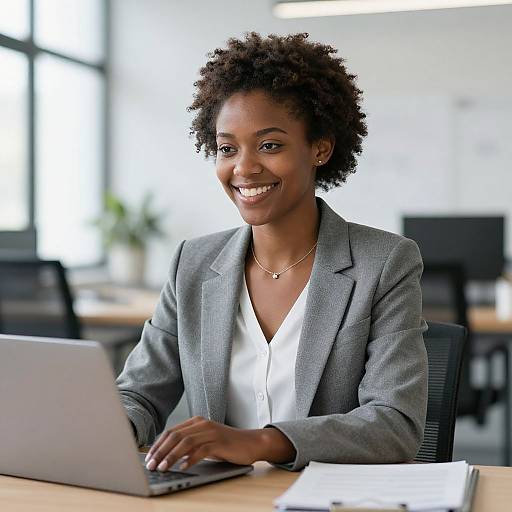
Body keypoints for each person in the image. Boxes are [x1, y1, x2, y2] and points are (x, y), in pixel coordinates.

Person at [116, 32, 428, 473]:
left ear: (320, 148)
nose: (243, 168)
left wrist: (261, 442)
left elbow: (394, 424)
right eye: (228, 148)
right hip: (218, 499)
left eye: (270, 145)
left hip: (326, 499)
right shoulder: (193, 263)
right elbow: (139, 394)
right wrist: (110, 429)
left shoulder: (385, 262)